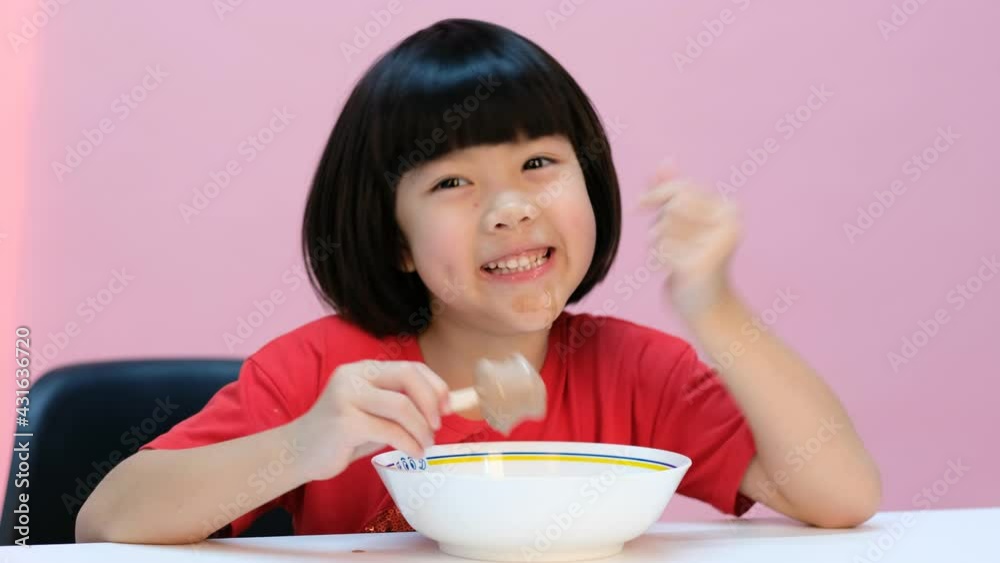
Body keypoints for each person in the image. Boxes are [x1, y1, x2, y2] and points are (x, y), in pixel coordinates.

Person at [76, 17, 881, 544]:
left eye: (538, 165)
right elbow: (107, 523)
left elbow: (842, 493)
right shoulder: (325, 374)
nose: (508, 208)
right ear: (396, 241)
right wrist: (301, 445)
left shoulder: (641, 374)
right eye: (451, 184)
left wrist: (717, 306)